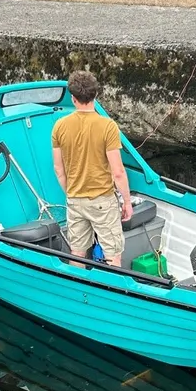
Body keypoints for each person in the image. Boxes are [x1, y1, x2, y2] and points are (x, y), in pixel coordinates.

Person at [52, 71, 132, 267]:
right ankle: (111, 294)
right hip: (103, 202)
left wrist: (72, 193)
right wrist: (127, 202)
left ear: (73, 98)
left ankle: (76, 292)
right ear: (95, 95)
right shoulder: (107, 126)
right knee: (113, 255)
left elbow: (58, 170)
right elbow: (118, 172)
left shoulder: (59, 126)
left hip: (75, 200)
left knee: (77, 252)